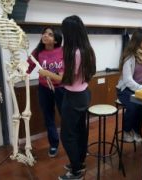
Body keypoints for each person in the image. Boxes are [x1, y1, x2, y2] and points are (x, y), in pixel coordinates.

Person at [38, 15, 96, 180]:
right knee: (80, 131)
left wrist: (47, 73)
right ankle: (79, 163)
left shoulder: (75, 52)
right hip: (83, 93)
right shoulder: (86, 49)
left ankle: (76, 171)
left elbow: (67, 79)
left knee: (67, 135)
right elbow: (84, 75)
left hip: (74, 97)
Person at [26, 27, 63, 158]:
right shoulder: (37, 52)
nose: (45, 36)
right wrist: (20, 73)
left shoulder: (62, 51)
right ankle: (54, 144)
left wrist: (49, 74)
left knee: (66, 116)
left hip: (61, 89)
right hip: (44, 89)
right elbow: (27, 68)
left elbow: (64, 74)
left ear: (56, 39)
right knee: (48, 117)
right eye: (44, 33)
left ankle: (70, 142)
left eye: (50, 34)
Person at [116, 28, 142, 143]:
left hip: (141, 89)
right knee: (134, 106)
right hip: (126, 89)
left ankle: (137, 130)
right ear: (137, 40)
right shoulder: (130, 56)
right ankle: (126, 130)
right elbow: (128, 80)